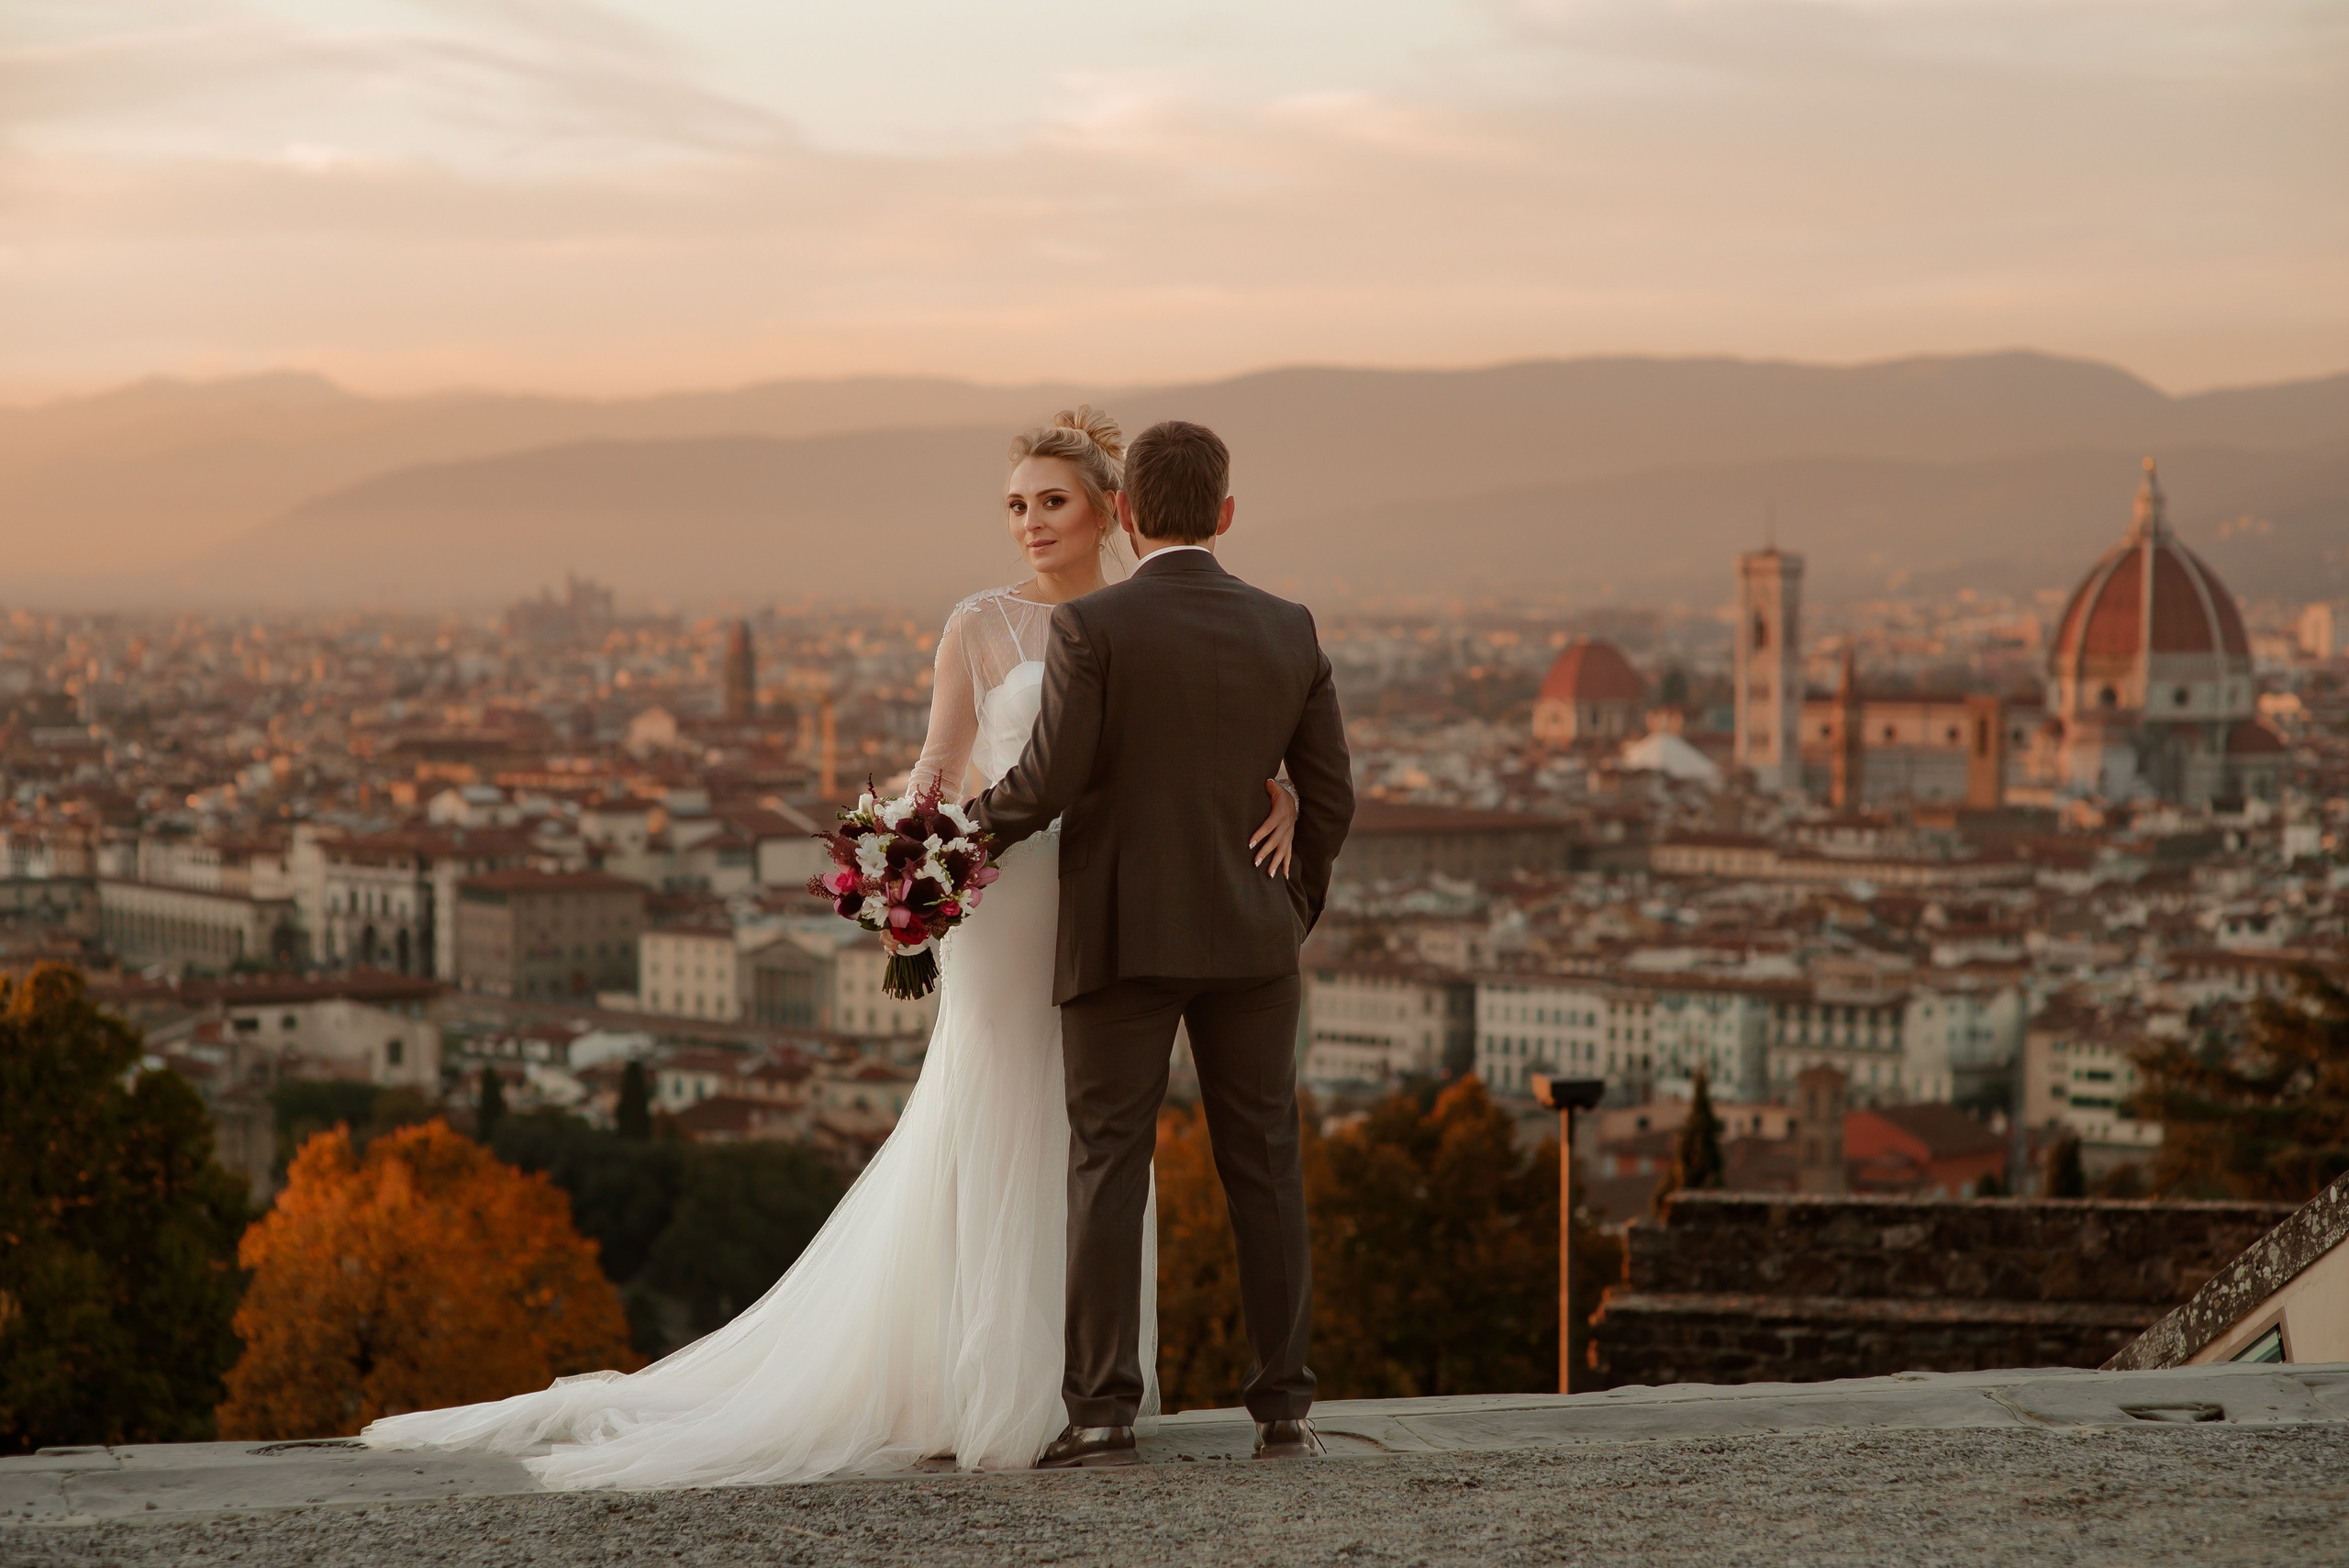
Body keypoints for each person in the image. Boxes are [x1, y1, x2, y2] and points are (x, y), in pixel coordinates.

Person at [358, 407, 1308, 1487]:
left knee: (1090, 1143)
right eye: (1015, 505)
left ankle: (1078, 1392)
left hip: (1112, 902)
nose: (1030, 523)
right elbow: (944, 767)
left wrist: (1261, 789)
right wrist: (907, 849)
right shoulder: (985, 624)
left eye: (1052, 500)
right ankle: (986, 1377)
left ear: (1114, 511)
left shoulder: (1142, 618)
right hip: (1015, 899)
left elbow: (1204, 750)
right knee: (1020, 1118)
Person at [974, 417, 1354, 1467]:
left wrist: (949, 839)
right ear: (1225, 514)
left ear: (1127, 515)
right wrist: (1289, 908)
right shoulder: (1289, 625)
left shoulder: (1094, 627)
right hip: (1251, 934)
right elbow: (1330, 797)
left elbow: (1045, 784)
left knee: (1109, 1161)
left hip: (1120, 933)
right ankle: (1282, 1402)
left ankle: (1101, 1409)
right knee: (1265, 1162)